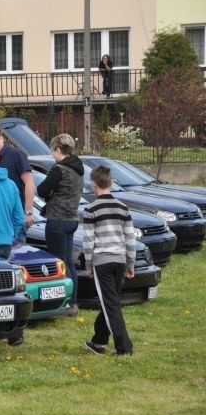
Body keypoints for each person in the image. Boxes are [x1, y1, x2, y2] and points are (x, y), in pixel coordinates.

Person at [83, 165, 135, 356]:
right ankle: (99, 340)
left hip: (102, 262)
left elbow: (88, 241)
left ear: (92, 184)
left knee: (110, 303)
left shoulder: (91, 209)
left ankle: (124, 347)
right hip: (120, 260)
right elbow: (130, 238)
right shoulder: (123, 207)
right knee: (110, 301)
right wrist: (130, 263)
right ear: (112, 183)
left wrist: (88, 265)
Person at [36, 134, 84, 316]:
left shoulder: (59, 169)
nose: (52, 156)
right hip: (72, 219)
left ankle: (64, 303)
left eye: (52, 152)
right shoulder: (79, 169)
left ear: (58, 149)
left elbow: (42, 190)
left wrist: (50, 194)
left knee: (59, 263)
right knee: (69, 262)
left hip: (57, 219)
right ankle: (73, 302)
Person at [0, 125, 35, 244]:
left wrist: (29, 212)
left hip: (15, 216)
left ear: (2, 138)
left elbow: (29, 183)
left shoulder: (15, 154)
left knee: (16, 255)